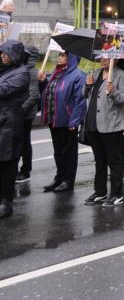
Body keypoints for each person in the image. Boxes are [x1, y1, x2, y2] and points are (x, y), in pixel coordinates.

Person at [83, 58, 124, 207]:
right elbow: (85, 95)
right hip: (93, 123)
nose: (102, 60)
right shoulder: (95, 73)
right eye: (101, 56)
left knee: (114, 161)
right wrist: (87, 85)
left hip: (111, 125)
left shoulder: (122, 75)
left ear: (115, 59)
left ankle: (117, 194)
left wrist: (113, 91)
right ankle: (100, 191)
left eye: (107, 57)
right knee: (99, 160)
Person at [38, 50, 86, 193]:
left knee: (69, 153)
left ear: (71, 57)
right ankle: (59, 177)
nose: (59, 58)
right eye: (59, 55)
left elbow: (80, 100)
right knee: (58, 152)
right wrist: (43, 82)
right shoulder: (56, 73)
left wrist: (74, 121)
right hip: (54, 119)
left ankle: (68, 181)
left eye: (63, 55)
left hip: (68, 120)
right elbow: (49, 92)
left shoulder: (78, 75)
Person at [0, 40, 29, 218]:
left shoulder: (22, 73)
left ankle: (6, 202)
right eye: (1, 53)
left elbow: (3, 90)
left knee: (8, 165)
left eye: (6, 53)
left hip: (10, 124)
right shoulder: (5, 70)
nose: (3, 56)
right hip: (3, 121)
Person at [15, 46, 41, 184]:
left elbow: (34, 95)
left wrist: (20, 110)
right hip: (19, 113)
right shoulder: (21, 70)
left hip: (25, 114)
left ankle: (25, 171)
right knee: (17, 141)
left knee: (24, 142)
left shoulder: (32, 72)